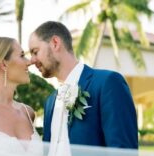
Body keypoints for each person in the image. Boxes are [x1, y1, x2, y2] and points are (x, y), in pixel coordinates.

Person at [29, 21, 138, 149]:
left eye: (35, 52)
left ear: (55, 43)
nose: (31, 60)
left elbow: (123, 154)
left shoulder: (107, 83)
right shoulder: (50, 102)